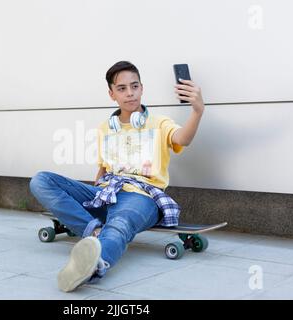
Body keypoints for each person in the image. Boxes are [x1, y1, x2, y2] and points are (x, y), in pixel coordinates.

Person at [29, 61, 205, 292]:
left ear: (142, 88)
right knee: (41, 180)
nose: (130, 93)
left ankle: (95, 264)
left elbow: (183, 139)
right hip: (106, 192)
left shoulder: (159, 123)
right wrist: (92, 197)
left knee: (120, 224)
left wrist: (197, 110)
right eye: (122, 88)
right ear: (112, 94)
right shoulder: (106, 128)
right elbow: (102, 170)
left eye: (134, 86)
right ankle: (94, 232)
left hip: (142, 197)